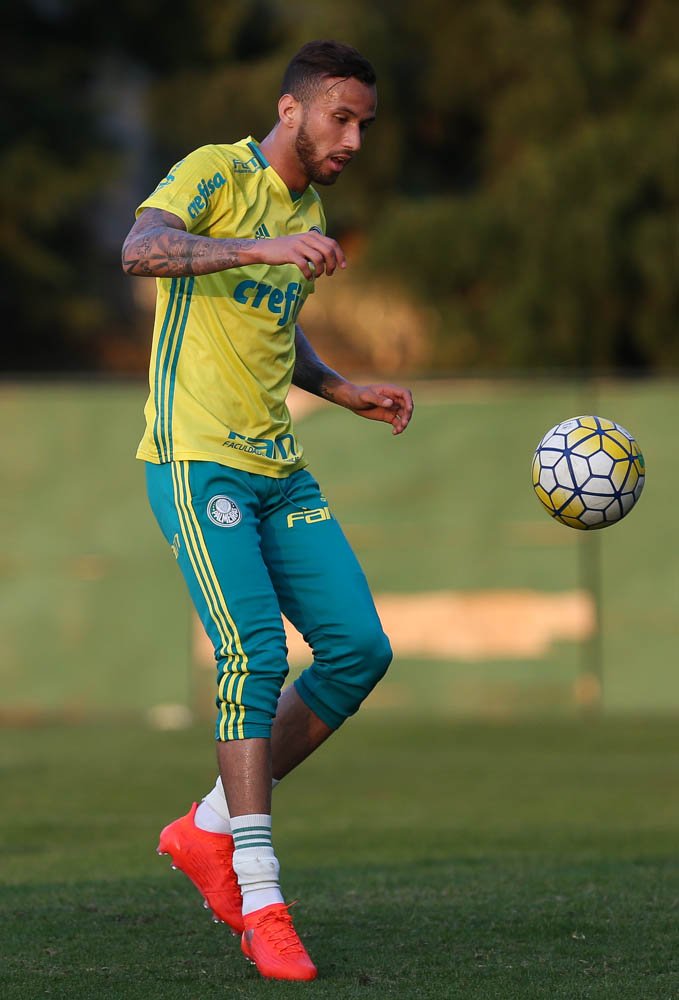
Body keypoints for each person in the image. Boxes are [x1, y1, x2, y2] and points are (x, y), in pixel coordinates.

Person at [121, 39, 414, 982]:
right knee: (251, 651)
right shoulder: (217, 175)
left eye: (364, 121)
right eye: (342, 115)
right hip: (195, 458)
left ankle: (206, 827)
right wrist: (257, 243)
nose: (355, 136)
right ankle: (259, 891)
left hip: (278, 467)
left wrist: (341, 390)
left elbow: (272, 332)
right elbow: (139, 251)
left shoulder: (310, 213)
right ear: (291, 110)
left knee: (359, 649)